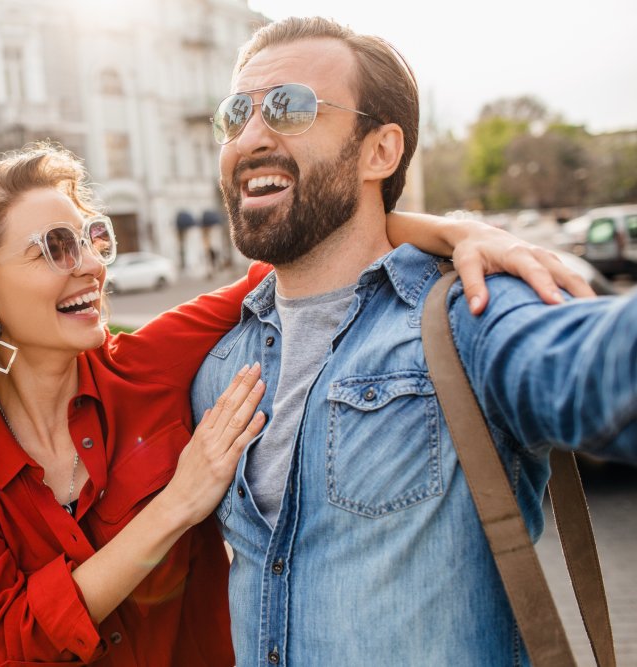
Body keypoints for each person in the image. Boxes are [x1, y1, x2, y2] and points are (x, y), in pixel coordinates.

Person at [0, 145, 592, 667]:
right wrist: (176, 504)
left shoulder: (148, 364)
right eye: (54, 247)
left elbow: (311, 252)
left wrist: (467, 234)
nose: (92, 264)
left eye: (94, 237)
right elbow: (4, 641)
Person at [190, 16, 637, 666]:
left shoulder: (469, 316)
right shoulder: (215, 365)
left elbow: (598, 367)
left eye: (288, 108)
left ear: (380, 150)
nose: (251, 136)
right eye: (236, 114)